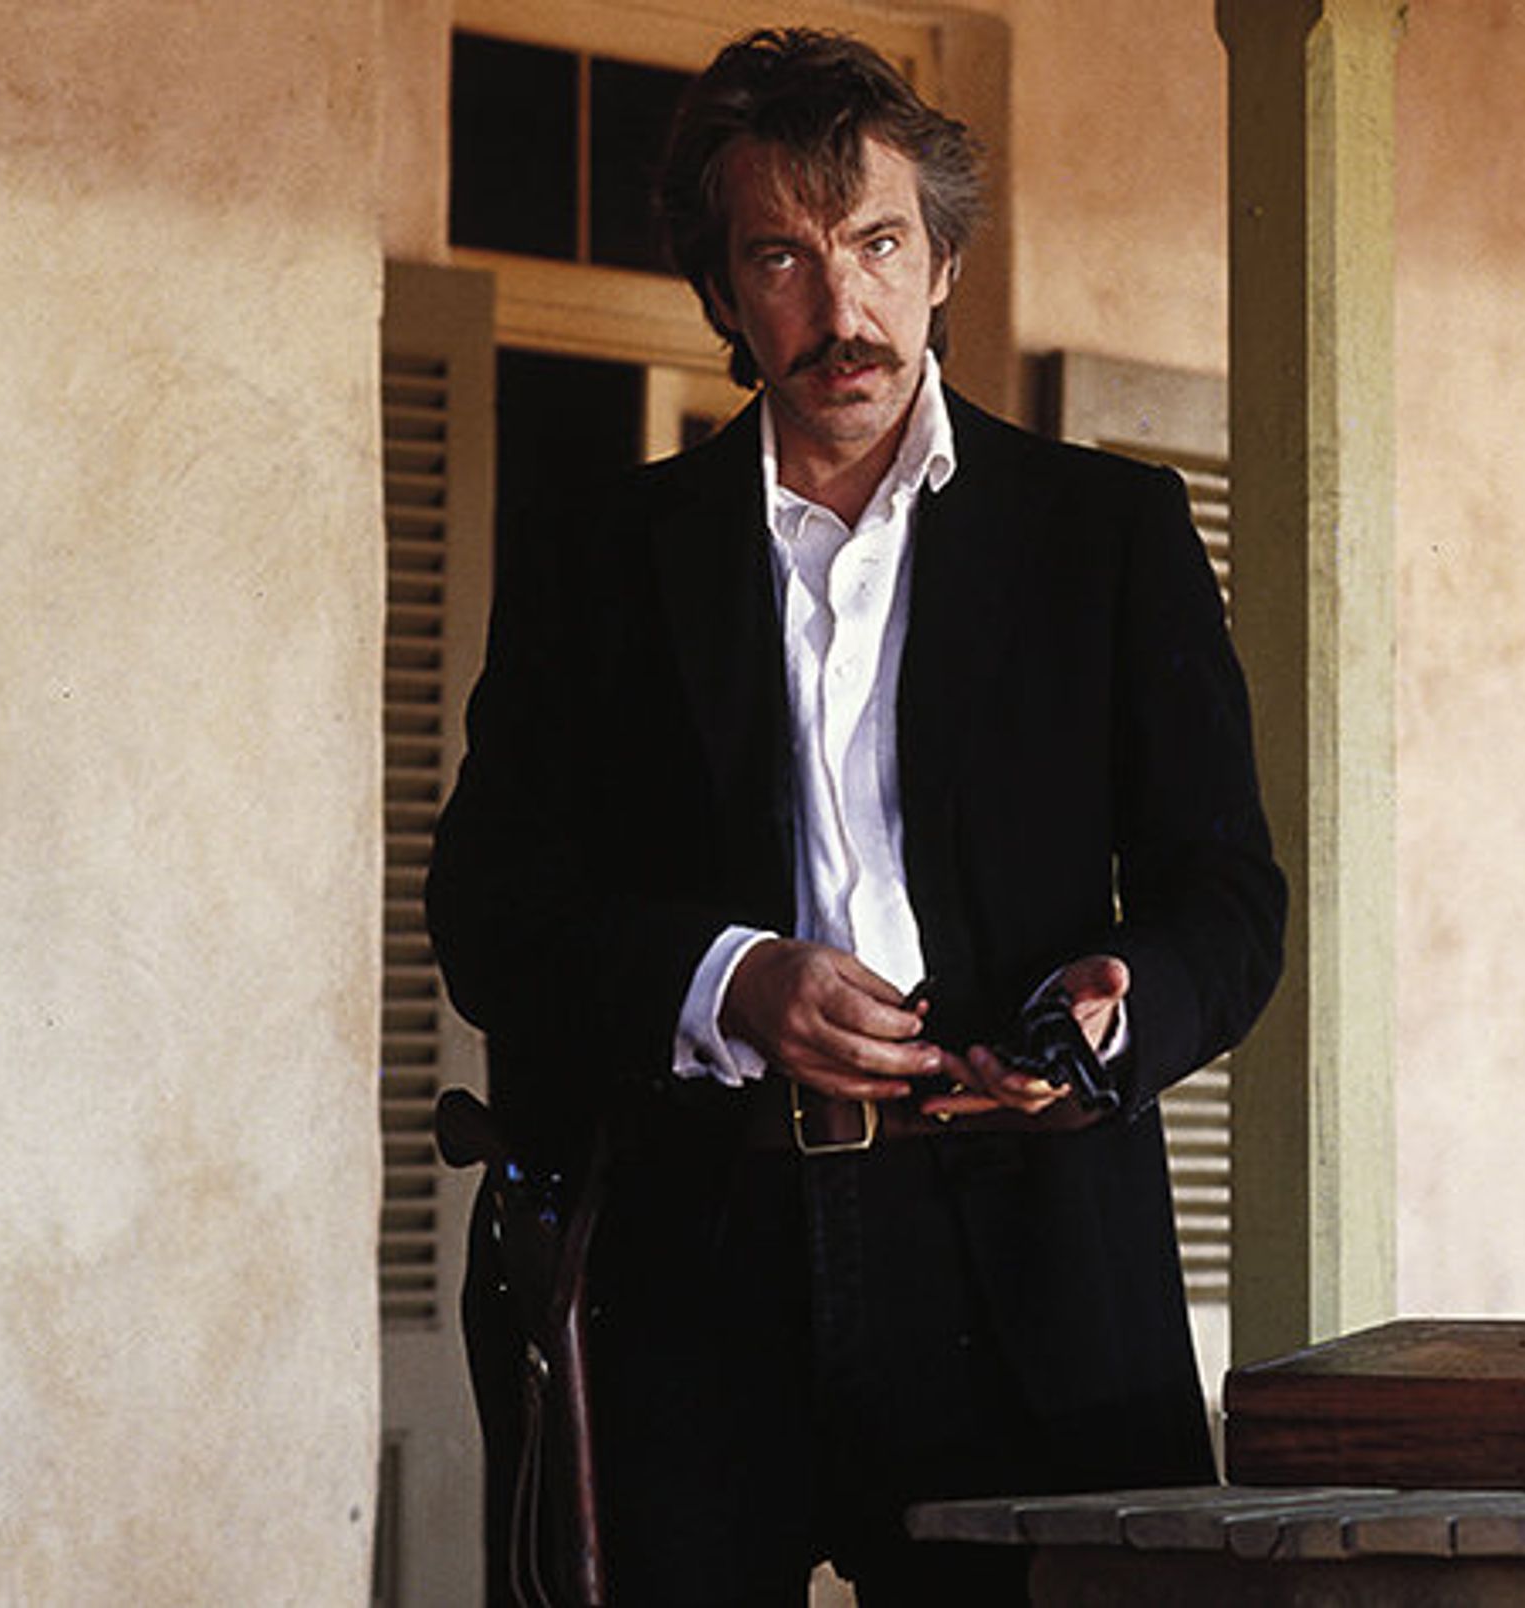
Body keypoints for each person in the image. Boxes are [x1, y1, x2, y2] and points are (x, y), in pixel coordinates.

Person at [425, 26, 1286, 1606]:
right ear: (723, 290)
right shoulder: (595, 554)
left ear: (943, 261)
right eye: (784, 259)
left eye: (880, 246)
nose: (844, 311)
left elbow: (1228, 898)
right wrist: (731, 978)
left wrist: (1122, 1009)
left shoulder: (1108, 534)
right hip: (689, 1269)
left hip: (1023, 1269)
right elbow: (486, 909)